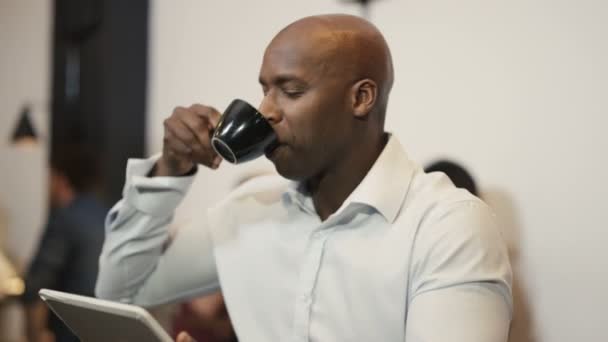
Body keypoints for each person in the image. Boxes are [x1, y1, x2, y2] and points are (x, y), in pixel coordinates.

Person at [96, 14, 512, 342]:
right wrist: (169, 170)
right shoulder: (248, 211)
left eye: (290, 91)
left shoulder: (446, 227)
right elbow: (120, 294)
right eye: (264, 90)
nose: (267, 111)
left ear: (361, 98)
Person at [22, 146, 108, 342]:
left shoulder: (64, 219)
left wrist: (33, 336)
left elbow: (36, 286)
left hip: (71, 332)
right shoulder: (110, 218)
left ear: (61, 179)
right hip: (109, 332)